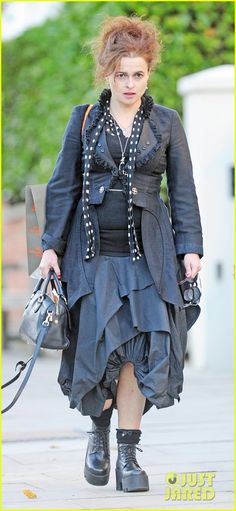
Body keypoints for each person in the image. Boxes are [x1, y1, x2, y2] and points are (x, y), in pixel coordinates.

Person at [40, 15, 203, 493]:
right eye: (121, 75)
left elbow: (185, 191)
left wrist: (190, 246)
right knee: (95, 349)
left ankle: (128, 453)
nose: (130, 84)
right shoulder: (84, 119)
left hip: (149, 258)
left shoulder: (166, 122)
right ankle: (98, 437)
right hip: (93, 256)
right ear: (106, 74)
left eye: (139, 74)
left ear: (148, 72)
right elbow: (62, 187)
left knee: (142, 351)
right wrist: (51, 247)